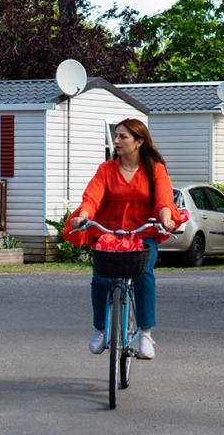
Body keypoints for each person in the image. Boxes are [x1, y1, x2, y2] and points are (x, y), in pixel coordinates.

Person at [65, 118, 182, 360]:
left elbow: (163, 200)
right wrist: (84, 216)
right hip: (108, 233)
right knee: (100, 280)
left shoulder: (155, 169)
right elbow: (92, 197)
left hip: (142, 232)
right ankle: (99, 328)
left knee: (144, 274)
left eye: (122, 137)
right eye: (115, 136)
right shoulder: (106, 170)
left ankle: (145, 333)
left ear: (138, 142)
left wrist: (166, 218)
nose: (116, 141)